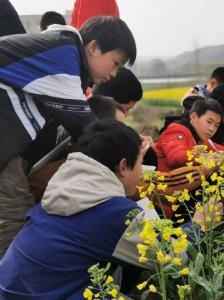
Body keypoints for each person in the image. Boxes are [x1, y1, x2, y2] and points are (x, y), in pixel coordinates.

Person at [0, 120, 223, 299]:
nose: (142, 173)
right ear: (124, 166)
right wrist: (198, 225)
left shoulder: (64, 185)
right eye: (140, 163)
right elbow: (173, 256)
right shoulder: (112, 213)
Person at [0, 16, 136, 257]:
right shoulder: (63, 55)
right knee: (13, 216)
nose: (114, 74)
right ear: (93, 48)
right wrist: (130, 152)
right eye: (115, 63)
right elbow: (87, 129)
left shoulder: (59, 48)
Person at [155, 98, 224, 173]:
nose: (212, 129)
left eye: (216, 125)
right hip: (163, 182)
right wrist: (207, 157)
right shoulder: (176, 130)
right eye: (209, 122)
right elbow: (176, 158)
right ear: (194, 117)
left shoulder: (201, 139)